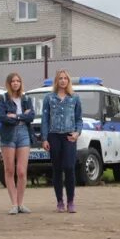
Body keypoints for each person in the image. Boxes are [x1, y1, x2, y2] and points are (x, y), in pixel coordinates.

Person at [41, 69, 83, 213]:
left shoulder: (75, 98)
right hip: (54, 135)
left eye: (65, 78)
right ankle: (60, 201)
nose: (63, 81)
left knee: (69, 167)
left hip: (69, 136)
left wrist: (77, 133)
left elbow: (79, 119)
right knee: (57, 169)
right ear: (56, 81)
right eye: (60, 78)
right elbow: (45, 120)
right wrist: (45, 138)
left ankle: (71, 201)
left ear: (68, 81)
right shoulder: (49, 98)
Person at [0, 72, 36, 215]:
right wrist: (22, 116)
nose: (15, 83)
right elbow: (3, 118)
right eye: (13, 81)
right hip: (8, 134)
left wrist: (17, 116)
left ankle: (21, 203)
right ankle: (13, 204)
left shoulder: (26, 98)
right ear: (9, 83)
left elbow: (31, 116)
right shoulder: (3, 99)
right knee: (9, 170)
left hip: (24, 133)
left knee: (21, 170)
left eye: (18, 81)